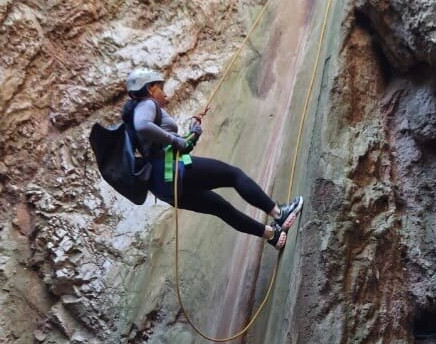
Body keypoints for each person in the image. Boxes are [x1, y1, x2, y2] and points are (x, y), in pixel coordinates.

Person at [123, 68, 303, 250]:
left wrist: (192, 133)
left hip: (164, 188)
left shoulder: (137, 119)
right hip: (172, 171)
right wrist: (176, 140)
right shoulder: (147, 105)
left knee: (220, 208)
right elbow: (144, 126)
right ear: (150, 89)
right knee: (234, 175)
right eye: (161, 88)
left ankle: (272, 235)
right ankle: (280, 214)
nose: (165, 93)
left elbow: (175, 148)